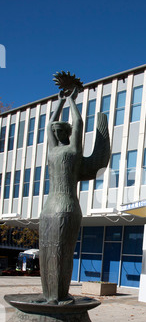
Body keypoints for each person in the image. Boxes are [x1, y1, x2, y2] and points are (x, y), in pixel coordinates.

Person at [39, 88, 86, 304]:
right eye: (54, 130)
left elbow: (79, 123)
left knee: (62, 252)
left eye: (59, 130)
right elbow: (48, 125)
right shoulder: (52, 151)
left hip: (67, 207)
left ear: (66, 132)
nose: (55, 132)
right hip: (49, 209)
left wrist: (70, 101)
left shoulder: (73, 151)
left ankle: (60, 295)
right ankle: (49, 295)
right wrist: (58, 103)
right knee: (46, 252)